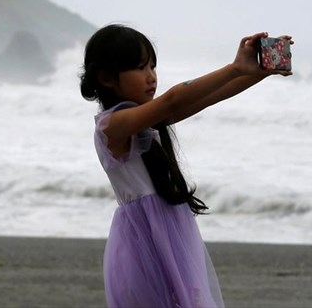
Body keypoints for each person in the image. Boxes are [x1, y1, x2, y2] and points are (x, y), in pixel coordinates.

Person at [80, 24, 293, 308]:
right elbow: (173, 100)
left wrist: (255, 73)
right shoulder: (112, 126)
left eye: (153, 67)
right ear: (106, 78)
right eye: (141, 68)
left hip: (171, 229)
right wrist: (233, 68)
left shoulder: (148, 121)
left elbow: (207, 97)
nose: (151, 77)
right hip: (145, 240)